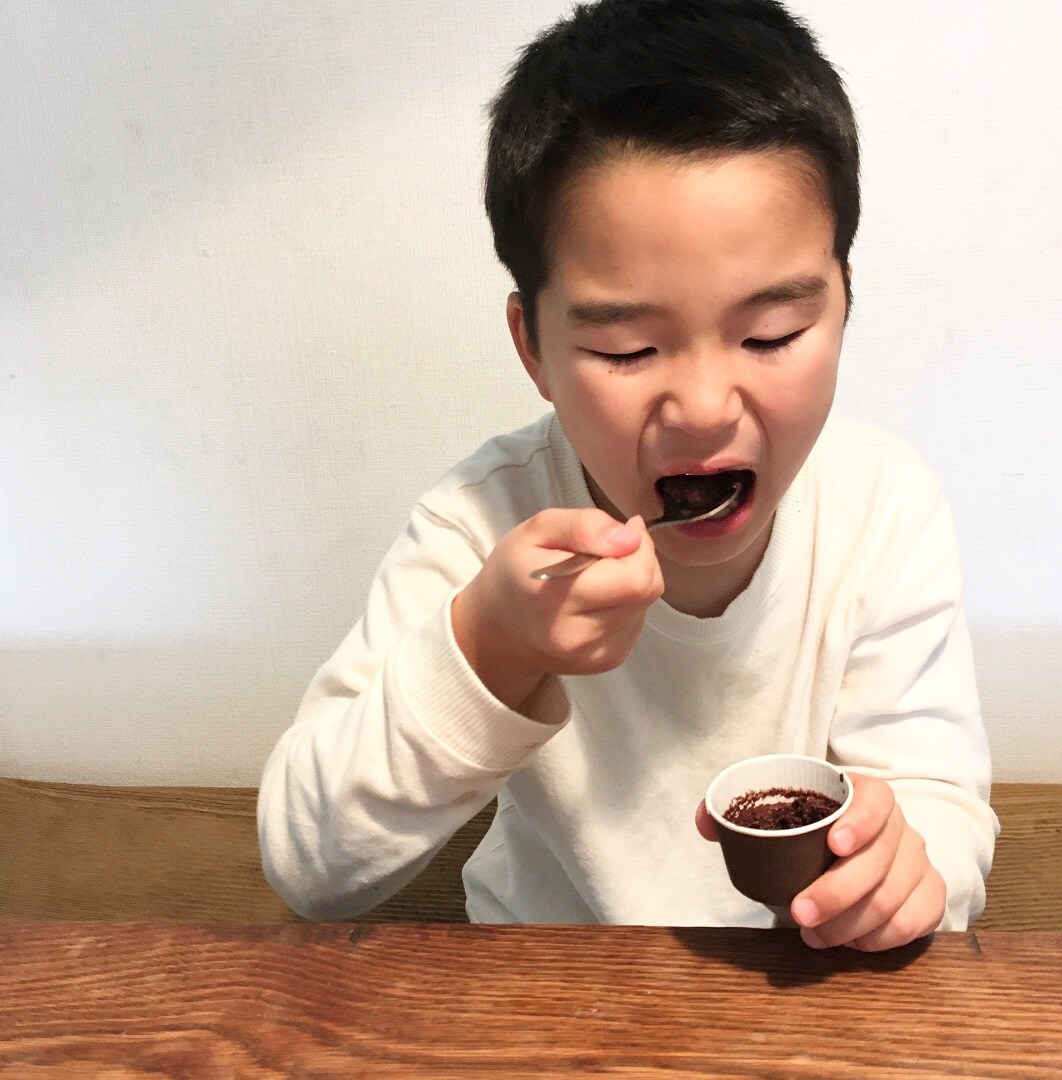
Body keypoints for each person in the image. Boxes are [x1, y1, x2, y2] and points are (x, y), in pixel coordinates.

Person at [258, 0, 998, 951]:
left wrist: (908, 866)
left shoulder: (881, 509)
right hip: (544, 1000)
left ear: (845, 301)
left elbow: (939, 811)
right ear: (534, 347)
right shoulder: (481, 526)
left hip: (802, 1000)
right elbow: (308, 866)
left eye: (771, 335)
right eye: (627, 348)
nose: (700, 407)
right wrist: (490, 646)